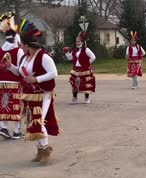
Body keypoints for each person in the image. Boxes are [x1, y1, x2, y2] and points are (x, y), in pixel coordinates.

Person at [4, 19, 60, 163]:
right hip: (30, 95)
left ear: (27, 45)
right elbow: (20, 73)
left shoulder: (43, 56)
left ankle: (45, 149)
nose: (19, 46)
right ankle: (40, 150)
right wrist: (10, 66)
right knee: (32, 123)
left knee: (39, 122)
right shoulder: (24, 57)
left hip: (43, 94)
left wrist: (36, 79)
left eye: (21, 44)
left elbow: (53, 73)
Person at [0, 12, 25, 139]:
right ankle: (16, 130)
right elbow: (19, 71)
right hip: (14, 82)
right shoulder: (18, 51)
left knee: (4, 104)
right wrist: (11, 67)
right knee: (17, 105)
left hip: (1, 82)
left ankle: (3, 127)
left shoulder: (0, 49)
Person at [65, 31, 96, 104]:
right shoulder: (75, 50)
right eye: (76, 41)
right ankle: (75, 98)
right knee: (74, 83)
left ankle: (87, 98)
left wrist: (87, 64)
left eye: (78, 41)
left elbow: (93, 57)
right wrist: (66, 52)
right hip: (76, 69)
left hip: (84, 69)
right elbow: (70, 58)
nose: (77, 43)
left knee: (85, 83)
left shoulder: (86, 49)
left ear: (82, 42)